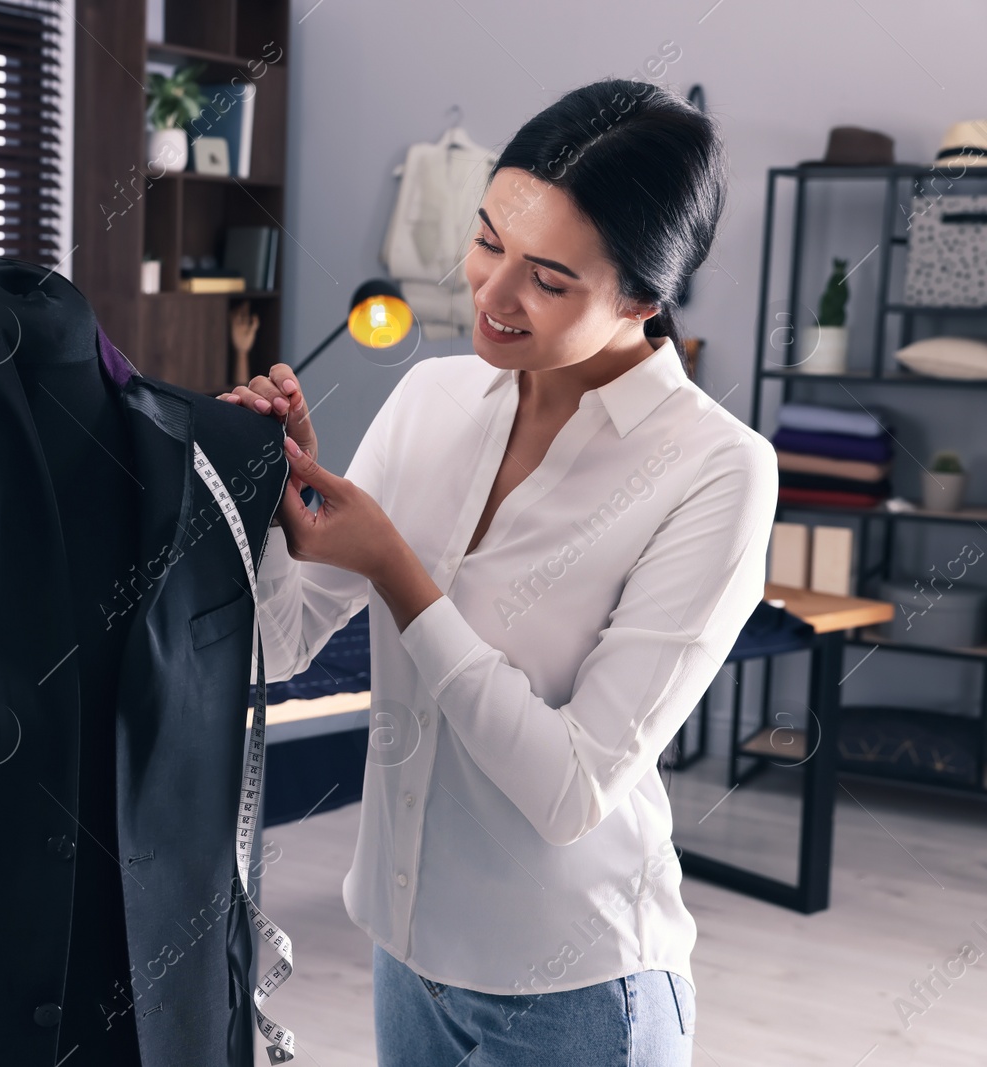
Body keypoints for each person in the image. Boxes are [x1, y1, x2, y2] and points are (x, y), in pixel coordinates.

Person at [218, 79, 776, 1065]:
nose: (489, 292)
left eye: (548, 278)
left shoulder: (715, 469)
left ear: (642, 298)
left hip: (578, 990)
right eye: (487, 240)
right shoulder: (433, 394)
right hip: (405, 952)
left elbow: (568, 789)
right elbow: (276, 641)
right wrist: (269, 495)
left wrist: (397, 571)